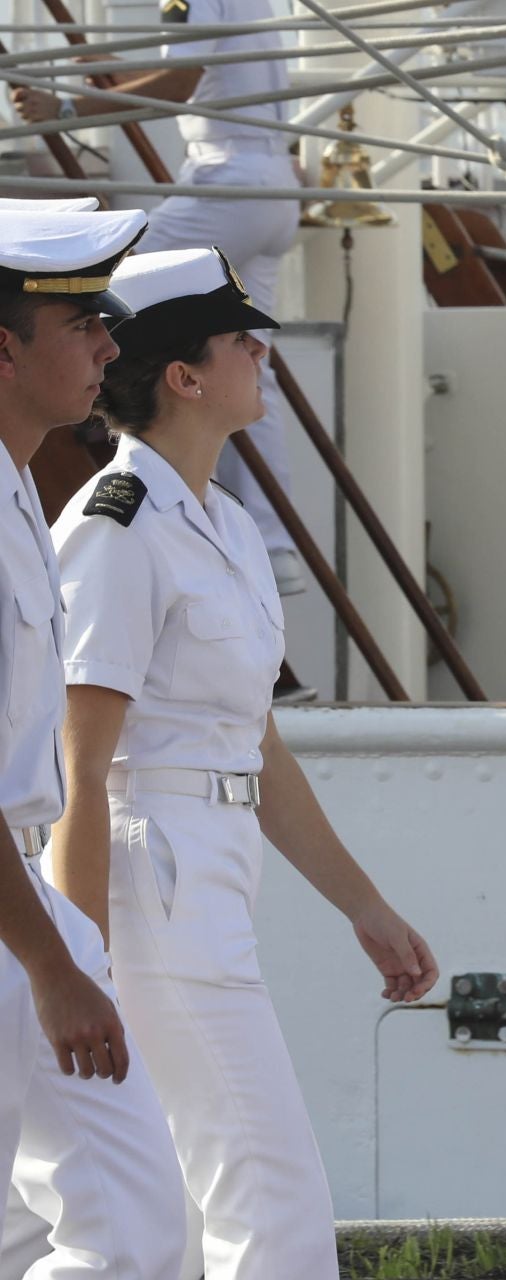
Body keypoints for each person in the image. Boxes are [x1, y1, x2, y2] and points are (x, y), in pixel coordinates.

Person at [45, 247, 436, 1280]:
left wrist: (368, 906)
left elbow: (252, 745)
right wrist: (77, 963)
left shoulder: (217, 521)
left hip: (211, 875)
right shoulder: (117, 530)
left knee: (184, 1212)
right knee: (273, 1201)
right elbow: (81, 766)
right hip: (147, 880)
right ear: (183, 376)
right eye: (240, 339)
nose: (263, 350)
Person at [0, 201, 186, 1280]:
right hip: (20, 927)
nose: (111, 348)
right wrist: (50, 963)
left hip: (32, 912)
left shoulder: (25, 486)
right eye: (83, 323)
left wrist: (58, 949)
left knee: (139, 1228)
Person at [12, 0, 305, 597]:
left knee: (116, 279)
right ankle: (278, 547)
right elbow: (199, 75)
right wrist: (101, 68)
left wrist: (65, 106)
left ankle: (128, 434)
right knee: (255, 371)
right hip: (276, 188)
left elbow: (178, 83)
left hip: (229, 179)